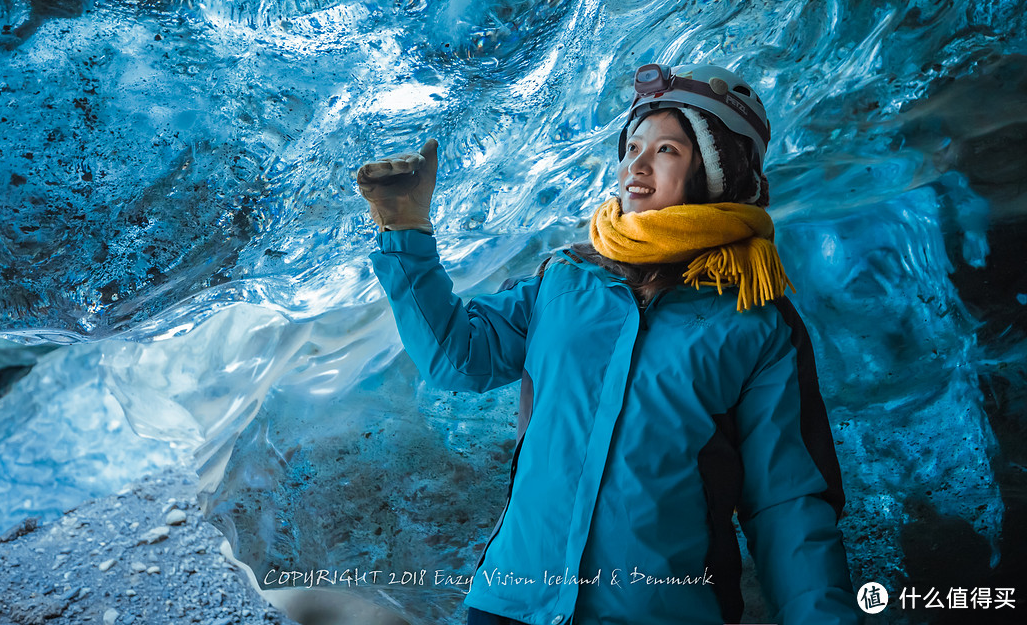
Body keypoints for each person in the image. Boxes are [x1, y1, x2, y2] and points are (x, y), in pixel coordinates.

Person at [357, 63, 860, 625]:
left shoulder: (756, 320)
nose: (636, 166)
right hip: (512, 607)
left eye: (666, 150)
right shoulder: (565, 280)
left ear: (718, 170)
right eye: (633, 146)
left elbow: (786, 506)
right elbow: (457, 360)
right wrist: (405, 231)